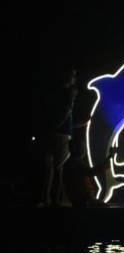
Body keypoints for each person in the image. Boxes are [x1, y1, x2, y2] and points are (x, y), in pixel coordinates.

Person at [41, 69, 80, 206]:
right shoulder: (66, 92)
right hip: (60, 134)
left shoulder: (56, 92)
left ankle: (50, 199)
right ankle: (54, 200)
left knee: (53, 168)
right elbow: (65, 112)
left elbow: (64, 113)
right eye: (72, 74)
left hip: (57, 132)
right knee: (57, 168)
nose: (74, 77)